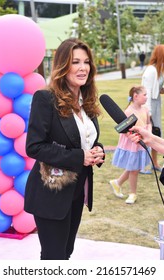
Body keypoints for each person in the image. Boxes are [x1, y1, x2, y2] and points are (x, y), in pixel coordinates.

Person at [24, 38, 105, 260]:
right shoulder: (45, 98)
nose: (83, 68)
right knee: (54, 257)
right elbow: (34, 147)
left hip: (78, 191)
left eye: (86, 62)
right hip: (51, 192)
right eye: (75, 62)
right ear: (63, 65)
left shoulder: (86, 101)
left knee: (66, 254)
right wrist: (80, 157)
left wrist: (97, 151)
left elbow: (86, 141)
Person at [109, 86, 151, 204]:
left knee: (135, 167)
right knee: (134, 169)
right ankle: (132, 193)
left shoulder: (146, 110)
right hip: (133, 144)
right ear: (135, 96)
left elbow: (149, 123)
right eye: (145, 95)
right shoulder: (128, 112)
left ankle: (117, 183)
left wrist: (149, 133)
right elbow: (124, 130)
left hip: (143, 141)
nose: (146, 97)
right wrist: (134, 137)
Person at [141, 44, 164, 173]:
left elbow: (158, 90)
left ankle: (154, 162)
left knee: (156, 133)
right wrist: (148, 112)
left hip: (156, 104)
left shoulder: (159, 70)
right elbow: (148, 92)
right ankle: (143, 165)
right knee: (149, 133)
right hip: (149, 106)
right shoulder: (151, 71)